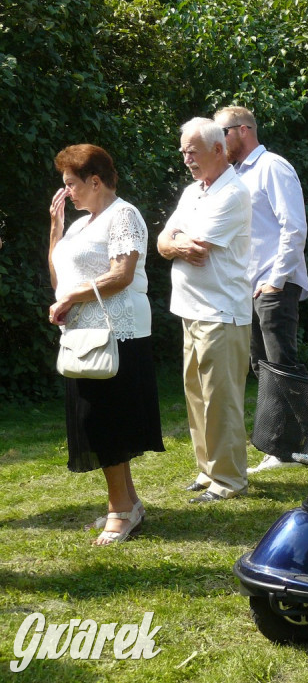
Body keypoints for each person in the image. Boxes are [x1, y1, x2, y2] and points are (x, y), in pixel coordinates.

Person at [47, 144, 164, 545]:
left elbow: (122, 275)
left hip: (117, 334)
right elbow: (60, 278)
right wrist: (56, 230)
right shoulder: (81, 224)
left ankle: (120, 511)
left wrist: (70, 299)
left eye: (71, 185)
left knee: (104, 423)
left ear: (95, 181)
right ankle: (127, 503)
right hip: (84, 336)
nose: (67, 193)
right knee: (95, 421)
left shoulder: (123, 215)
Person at [157, 118, 252, 503]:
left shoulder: (233, 193)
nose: (187, 159)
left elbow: (198, 246)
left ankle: (229, 480)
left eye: (193, 151)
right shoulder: (192, 192)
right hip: (190, 309)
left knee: (221, 399)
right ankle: (208, 470)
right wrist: (175, 243)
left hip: (221, 312)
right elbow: (164, 241)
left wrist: (175, 242)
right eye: (183, 152)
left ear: (217, 150)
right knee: (196, 394)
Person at [213, 106, 308, 475]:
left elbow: (293, 227)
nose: (216, 141)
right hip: (248, 286)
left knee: (281, 364)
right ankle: (286, 446)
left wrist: (277, 279)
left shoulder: (273, 166)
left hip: (274, 284)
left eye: (221, 132)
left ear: (242, 130)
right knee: (263, 365)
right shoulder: (233, 175)